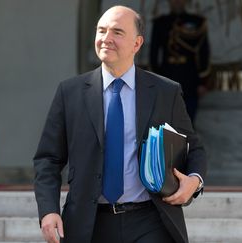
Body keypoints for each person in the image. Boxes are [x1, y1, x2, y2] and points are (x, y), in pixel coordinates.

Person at [34, 5, 206, 243]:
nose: (106, 39)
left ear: (137, 44)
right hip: (89, 223)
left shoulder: (165, 91)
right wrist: (48, 210)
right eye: (101, 30)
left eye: (117, 32)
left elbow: (193, 147)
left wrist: (194, 181)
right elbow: (48, 159)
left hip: (150, 220)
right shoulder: (70, 92)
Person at [150, 0, 211, 122]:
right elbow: (154, 54)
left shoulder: (197, 22)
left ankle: (184, 142)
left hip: (190, 80)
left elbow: (204, 52)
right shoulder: (160, 23)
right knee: (167, 123)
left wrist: (202, 82)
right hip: (167, 77)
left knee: (187, 121)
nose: (177, 2)